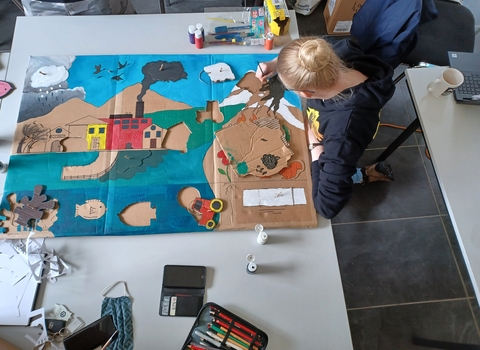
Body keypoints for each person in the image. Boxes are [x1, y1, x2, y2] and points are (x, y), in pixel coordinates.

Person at [256, 37, 395, 219]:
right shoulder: (334, 52)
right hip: (338, 134)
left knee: (335, 172)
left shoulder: (343, 133)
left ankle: (359, 175)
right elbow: (307, 53)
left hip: (334, 143)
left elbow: (326, 206)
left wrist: (315, 144)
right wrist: (277, 64)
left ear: (305, 93)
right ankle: (356, 174)